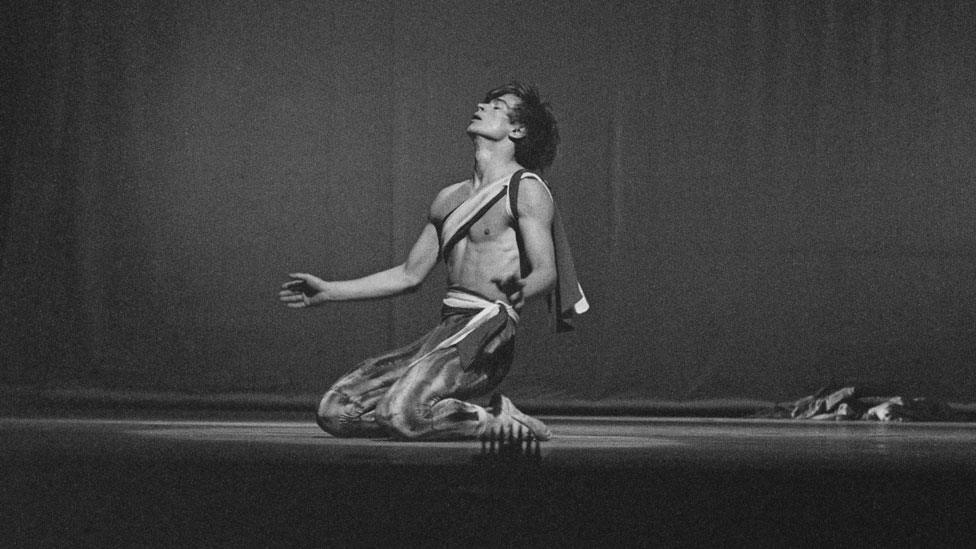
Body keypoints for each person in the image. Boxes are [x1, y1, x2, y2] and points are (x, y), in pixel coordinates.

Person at [278, 82, 587, 441]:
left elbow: (546, 272)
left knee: (400, 413)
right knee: (334, 412)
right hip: (446, 332)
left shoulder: (526, 189)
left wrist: (523, 289)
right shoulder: (447, 199)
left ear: (517, 130)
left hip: (486, 334)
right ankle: (478, 415)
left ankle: (491, 420)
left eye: (497, 107)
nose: (481, 106)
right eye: (486, 103)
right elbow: (410, 275)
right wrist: (330, 291)